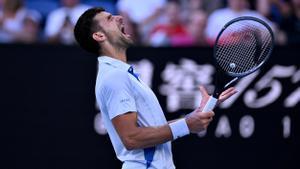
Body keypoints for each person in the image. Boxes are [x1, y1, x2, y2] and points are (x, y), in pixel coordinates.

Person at [74, 7, 237, 169]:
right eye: (109, 18)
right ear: (99, 35)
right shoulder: (115, 76)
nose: (120, 17)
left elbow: (148, 128)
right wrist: (186, 125)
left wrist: (193, 117)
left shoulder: (121, 73)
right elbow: (131, 138)